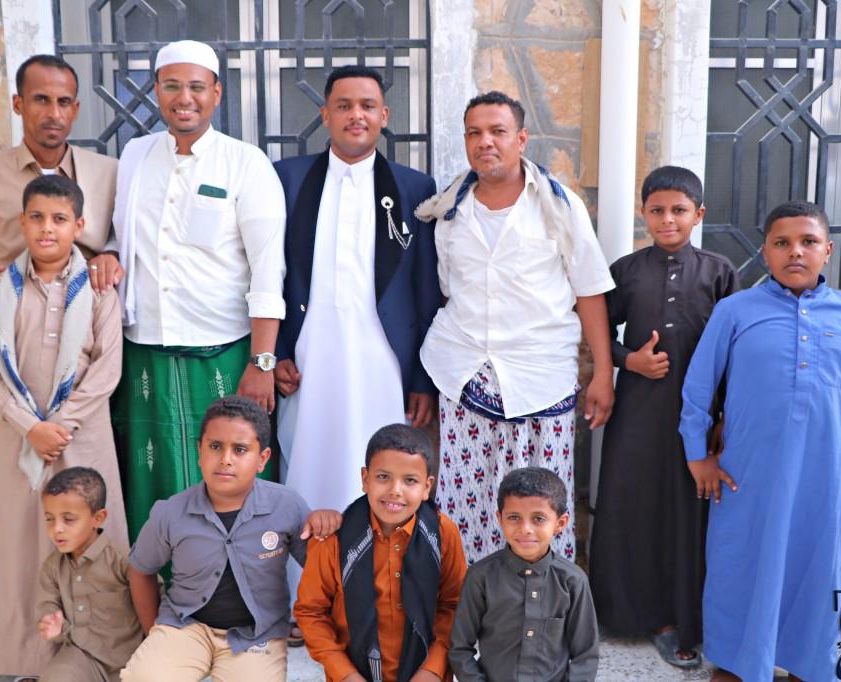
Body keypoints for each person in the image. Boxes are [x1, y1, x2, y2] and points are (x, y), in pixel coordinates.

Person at [679, 200, 841, 682]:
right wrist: (698, 456)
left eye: (808, 242)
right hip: (747, 471)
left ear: (827, 250)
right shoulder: (735, 311)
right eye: (782, 243)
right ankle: (737, 661)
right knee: (740, 560)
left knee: (817, 565)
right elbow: (697, 389)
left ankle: (809, 661)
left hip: (825, 472)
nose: (795, 251)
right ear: (765, 252)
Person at [416, 91, 615, 563]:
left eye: (498, 131)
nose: (485, 141)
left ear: (521, 139)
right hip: (465, 376)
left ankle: (540, 603)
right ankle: (468, 601)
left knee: (538, 512)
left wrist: (603, 373)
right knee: (467, 509)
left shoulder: (558, 207)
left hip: (539, 380)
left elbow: (589, 291)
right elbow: (448, 292)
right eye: (474, 133)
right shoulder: (449, 211)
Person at [112, 40, 287, 540]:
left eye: (195, 87)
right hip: (145, 350)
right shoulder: (135, 155)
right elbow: (118, 235)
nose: (183, 98)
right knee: (150, 474)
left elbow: (267, 269)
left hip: (222, 352)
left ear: (216, 93)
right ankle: (159, 576)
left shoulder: (245, 163)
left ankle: (238, 580)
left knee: (230, 472)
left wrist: (262, 362)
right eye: (171, 86)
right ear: (156, 91)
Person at [0, 175, 127, 676]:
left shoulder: (98, 290)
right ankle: (25, 654)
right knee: (22, 541)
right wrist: (29, 425)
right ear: (21, 222)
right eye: (36, 217)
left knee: (90, 536)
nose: (46, 229)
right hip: (21, 438)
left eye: (59, 219)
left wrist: (61, 423)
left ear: (79, 226)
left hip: (82, 435)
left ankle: (103, 653)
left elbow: (107, 369)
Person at [589, 166, 739, 667]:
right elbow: (597, 332)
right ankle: (624, 614)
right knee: (631, 503)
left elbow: (737, 347)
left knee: (687, 511)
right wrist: (629, 361)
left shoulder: (719, 272)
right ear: (643, 213)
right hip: (638, 411)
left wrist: (724, 417)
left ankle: (681, 618)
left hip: (698, 416)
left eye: (679, 210)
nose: (667, 219)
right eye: (657, 210)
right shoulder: (627, 270)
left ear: (699, 214)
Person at [273, 64, 439, 513]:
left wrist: (422, 379)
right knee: (307, 458)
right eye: (344, 106)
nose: (356, 115)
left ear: (384, 115)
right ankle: (308, 557)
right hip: (309, 355)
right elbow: (269, 274)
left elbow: (426, 289)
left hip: (383, 359)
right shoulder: (286, 179)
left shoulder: (414, 188)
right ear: (325, 114)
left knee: (384, 462)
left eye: (367, 106)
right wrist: (278, 352)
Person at [122, 395, 342, 682]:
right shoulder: (171, 512)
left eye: (240, 449)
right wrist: (155, 631)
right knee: (145, 676)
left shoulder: (286, 505)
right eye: (215, 446)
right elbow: (141, 569)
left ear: (262, 459)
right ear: (199, 450)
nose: (225, 459)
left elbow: (322, 567)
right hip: (185, 627)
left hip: (257, 635)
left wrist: (327, 526)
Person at [294, 424, 468, 682]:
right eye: (383, 477)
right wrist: (345, 674)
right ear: (365, 479)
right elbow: (311, 612)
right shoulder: (332, 538)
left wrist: (433, 669)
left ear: (427, 486)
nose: (395, 490)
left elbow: (454, 605)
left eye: (410, 480)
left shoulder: (442, 533)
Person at [0, 54, 121, 308]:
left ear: (75, 109)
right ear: (18, 104)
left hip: (90, 314)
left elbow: (124, 236)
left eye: (64, 102)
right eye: (41, 100)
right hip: (14, 315)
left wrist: (111, 254)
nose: (54, 114)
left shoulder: (108, 172)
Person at [450, 466, 599, 681]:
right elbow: (460, 648)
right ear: (500, 518)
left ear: (560, 523)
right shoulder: (480, 577)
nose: (525, 528)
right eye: (514, 517)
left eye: (538, 518)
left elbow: (585, 655)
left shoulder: (573, 581)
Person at [37, 467, 143, 682]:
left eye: (68, 519)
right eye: (49, 519)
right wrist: (52, 622)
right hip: (82, 655)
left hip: (131, 657)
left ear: (98, 518)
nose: (57, 529)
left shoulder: (124, 560)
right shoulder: (52, 567)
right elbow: (48, 606)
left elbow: (155, 603)